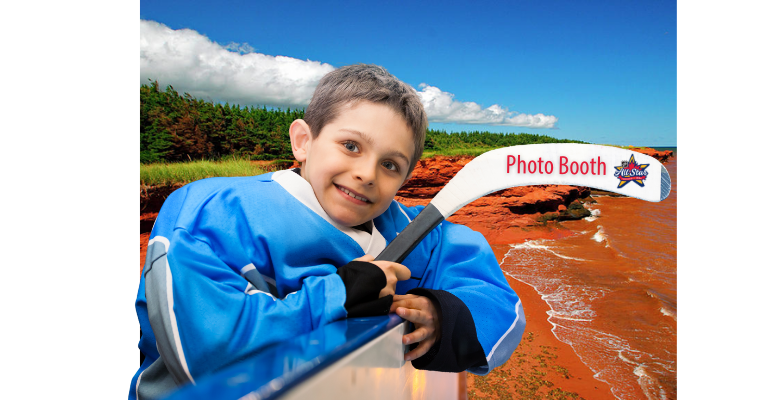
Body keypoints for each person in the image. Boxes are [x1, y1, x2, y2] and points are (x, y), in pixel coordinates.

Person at [131, 64, 525, 400]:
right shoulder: (212, 212)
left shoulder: (413, 231)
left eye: (391, 165)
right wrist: (338, 295)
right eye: (351, 146)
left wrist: (442, 317)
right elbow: (208, 354)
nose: (367, 174)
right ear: (304, 140)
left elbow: (498, 302)